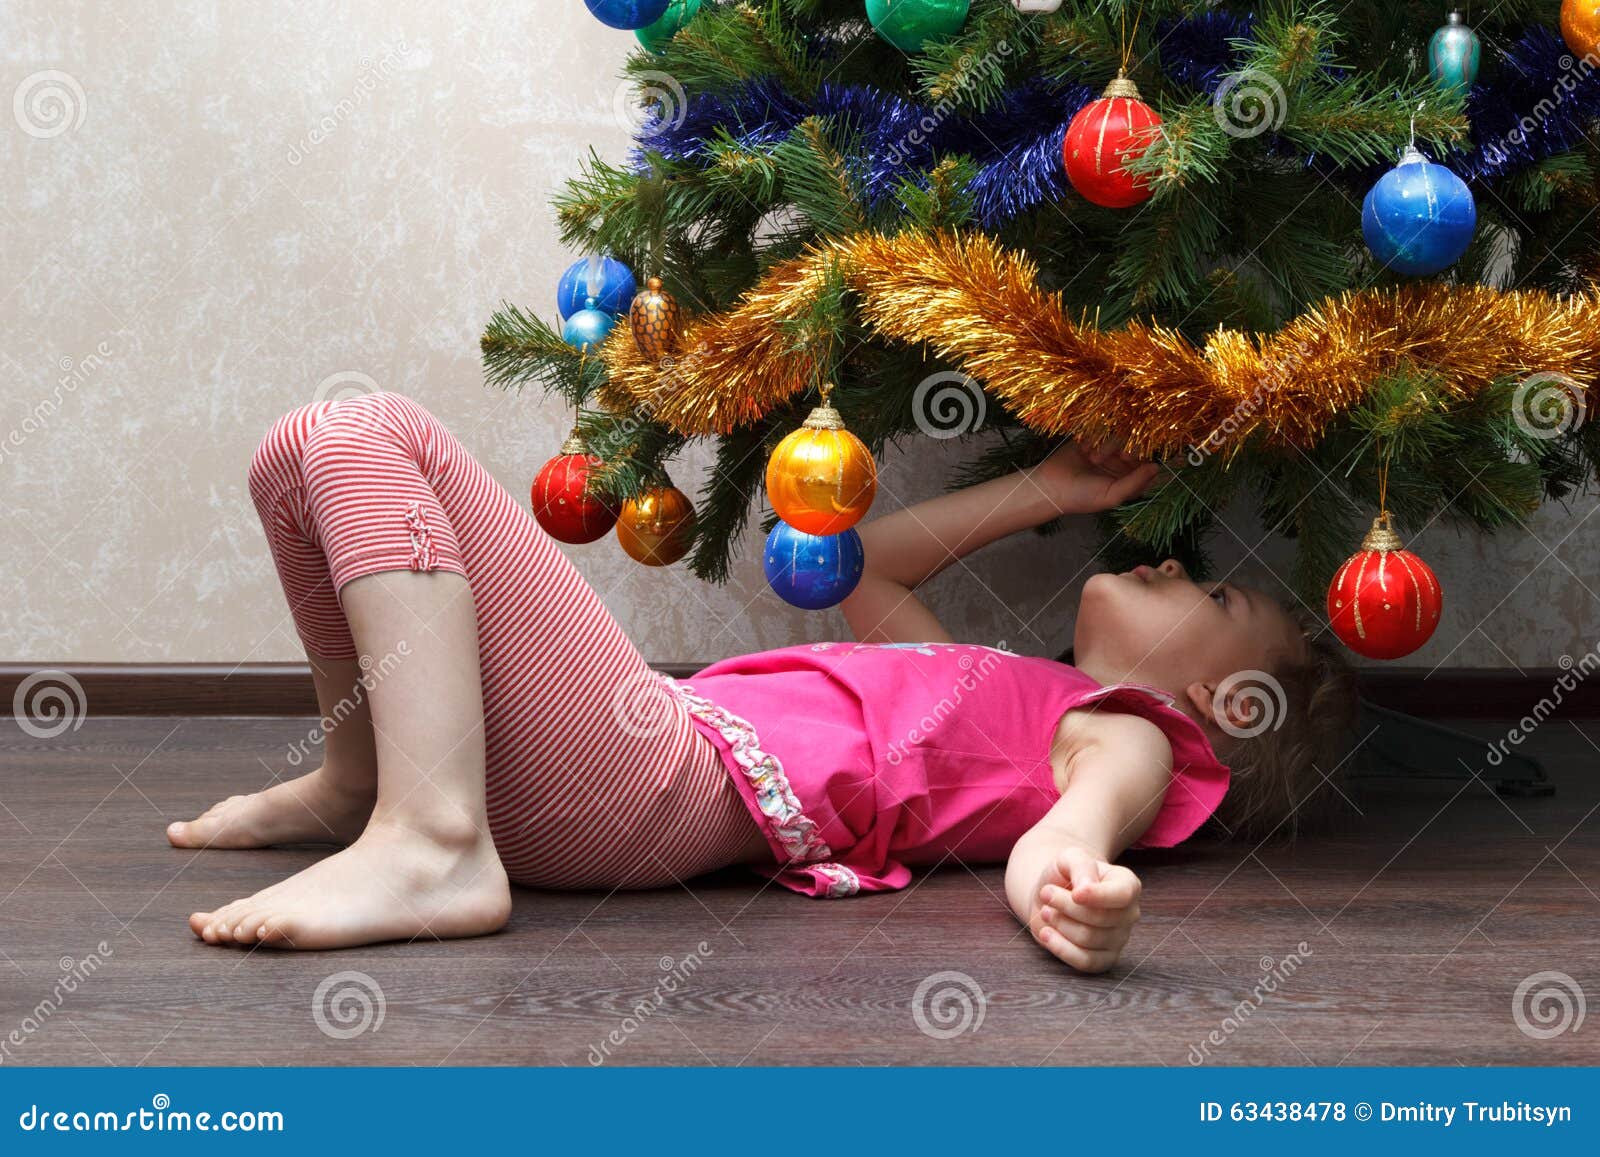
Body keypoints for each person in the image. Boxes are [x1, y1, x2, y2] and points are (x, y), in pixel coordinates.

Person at [170, 392, 1357, 971]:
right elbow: (870, 558)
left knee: (359, 434)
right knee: (298, 455)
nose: (1167, 561)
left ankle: (432, 833)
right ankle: (367, 772)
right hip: (643, 756)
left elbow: (1061, 843)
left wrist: (1077, 902)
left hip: (653, 779)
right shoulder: (989, 685)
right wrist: (1052, 489)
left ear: (1223, 707)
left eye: (1212, 600)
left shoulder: (1128, 736)